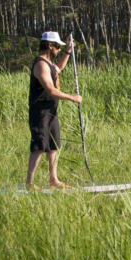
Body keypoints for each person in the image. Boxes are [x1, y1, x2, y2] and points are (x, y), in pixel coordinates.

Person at [26, 31, 82, 190]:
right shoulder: (40, 64)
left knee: (53, 145)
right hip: (40, 111)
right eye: (57, 46)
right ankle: (29, 183)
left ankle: (54, 179)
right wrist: (72, 97)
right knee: (39, 145)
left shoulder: (49, 64)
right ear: (49, 46)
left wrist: (68, 50)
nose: (58, 49)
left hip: (51, 111)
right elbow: (50, 90)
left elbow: (59, 68)